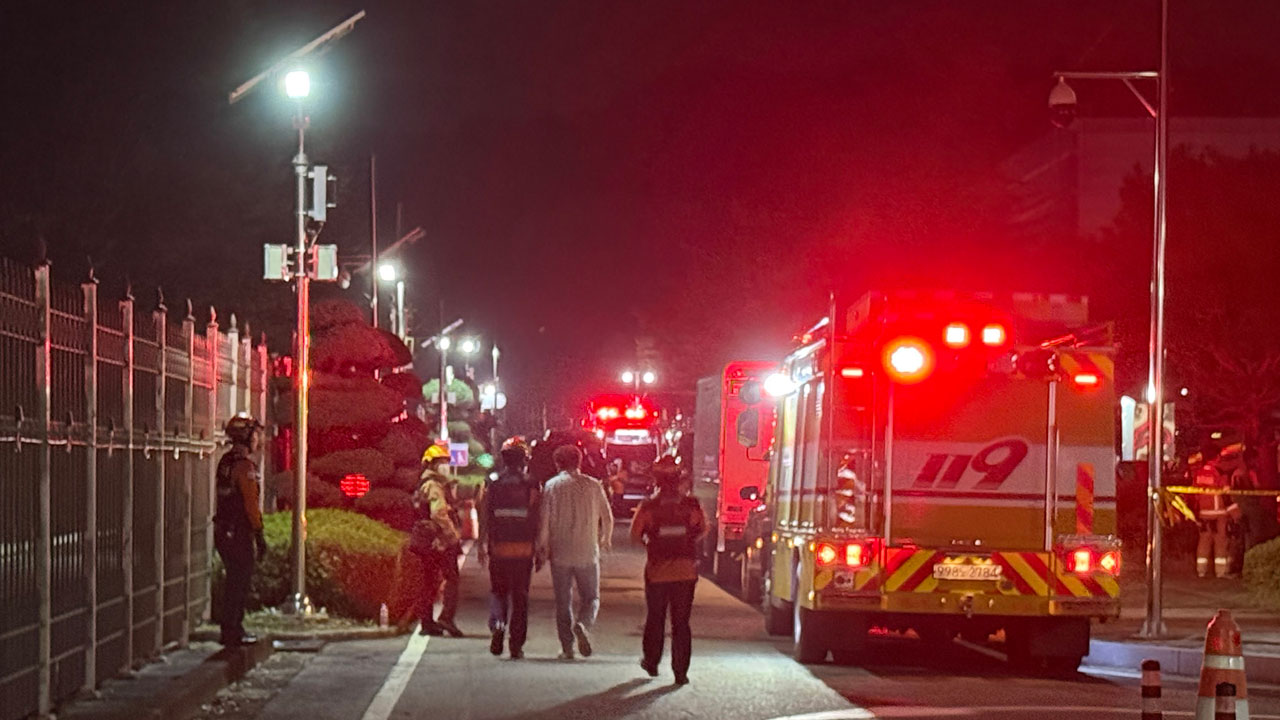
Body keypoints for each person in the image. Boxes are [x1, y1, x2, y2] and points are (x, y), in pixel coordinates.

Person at [631, 458, 706, 685]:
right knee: (681, 623)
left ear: (656, 480)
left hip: (657, 571)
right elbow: (702, 529)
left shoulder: (648, 506)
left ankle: (651, 662)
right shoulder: (692, 505)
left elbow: (635, 535)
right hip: (685, 572)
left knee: (655, 617)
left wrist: (651, 546)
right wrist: (687, 544)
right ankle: (680, 672)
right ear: (679, 479)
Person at [537, 444, 613, 660]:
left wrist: (542, 547)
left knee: (563, 602)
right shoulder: (594, 485)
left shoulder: (551, 486)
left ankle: (567, 648)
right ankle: (583, 625)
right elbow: (607, 516)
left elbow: (544, 520)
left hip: (560, 552)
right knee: (592, 598)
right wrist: (605, 539)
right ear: (580, 462)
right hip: (587, 551)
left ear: (557, 463)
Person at [477, 438, 541, 659]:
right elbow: (537, 515)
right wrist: (540, 546)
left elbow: (484, 513)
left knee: (499, 592)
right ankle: (516, 645)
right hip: (524, 548)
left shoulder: (492, 482)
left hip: (498, 548)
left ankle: (498, 624)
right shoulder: (532, 483)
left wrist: (481, 542)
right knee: (520, 596)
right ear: (524, 460)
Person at [213, 413, 268, 647]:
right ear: (246, 437)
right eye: (255, 435)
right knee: (240, 582)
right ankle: (233, 629)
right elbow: (250, 505)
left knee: (233, 581)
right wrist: (259, 534)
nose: (258, 439)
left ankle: (230, 629)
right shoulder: (245, 467)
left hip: (223, 530)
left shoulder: (225, 462)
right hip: (238, 533)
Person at [409, 444, 464, 636]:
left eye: (446, 461)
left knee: (429, 581)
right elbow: (438, 513)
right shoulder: (434, 485)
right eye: (441, 462)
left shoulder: (429, 482)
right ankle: (446, 618)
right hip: (439, 541)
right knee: (451, 579)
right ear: (431, 464)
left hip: (429, 541)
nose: (445, 465)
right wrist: (452, 536)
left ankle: (427, 623)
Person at [1194, 444, 1238, 578]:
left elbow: (1194, 495)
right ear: (1217, 457)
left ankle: (1201, 571)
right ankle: (1221, 572)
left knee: (1204, 542)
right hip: (1219, 514)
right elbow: (1226, 495)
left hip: (1204, 514)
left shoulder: (1198, 473)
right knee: (1221, 543)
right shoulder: (1219, 472)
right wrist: (1236, 514)